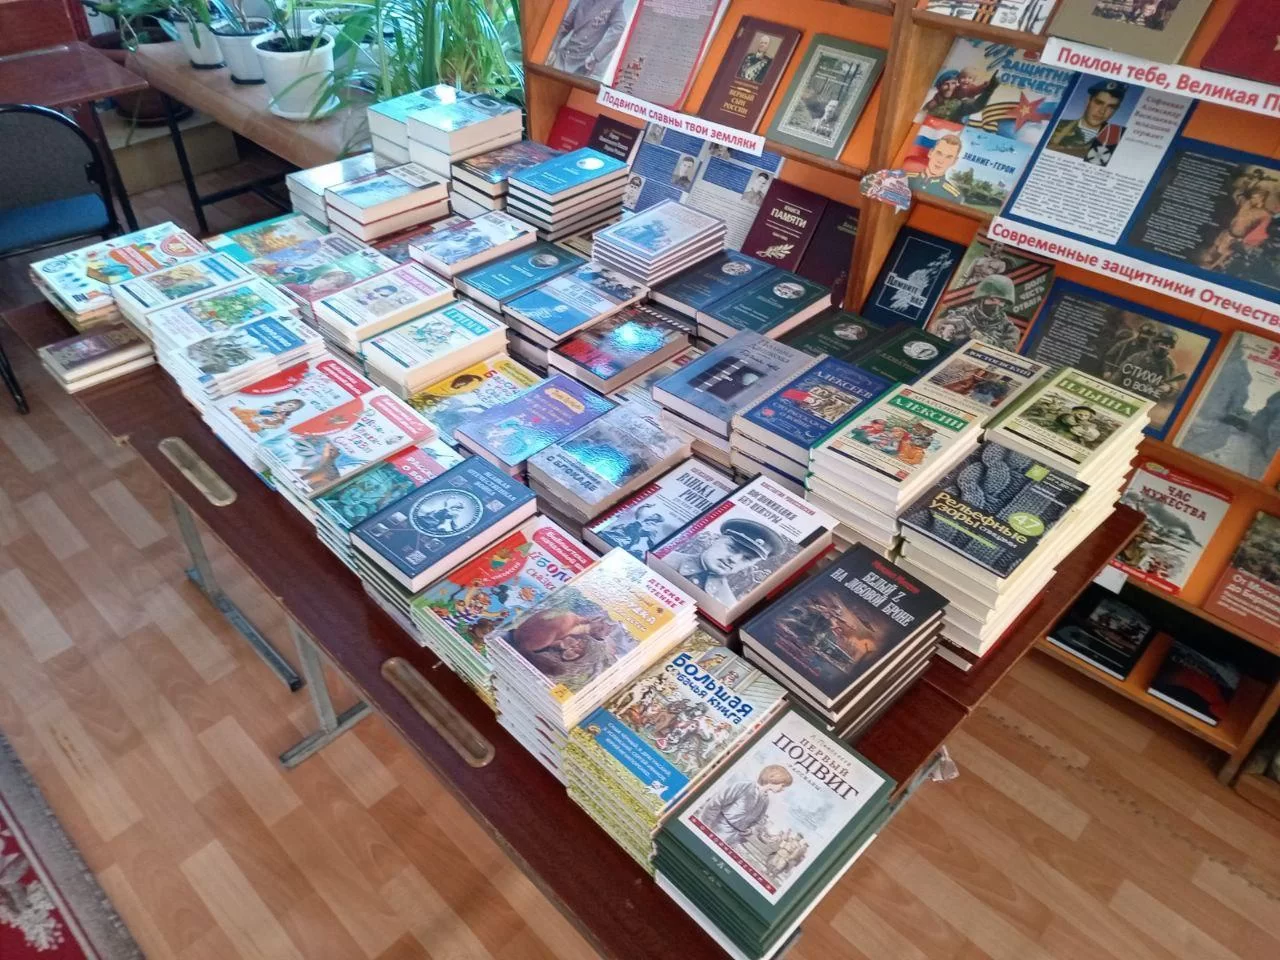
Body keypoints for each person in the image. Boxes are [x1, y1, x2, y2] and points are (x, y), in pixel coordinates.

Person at [664, 519, 783, 608]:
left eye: (747, 558)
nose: (734, 560)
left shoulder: (728, 603)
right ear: (716, 539)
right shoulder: (665, 559)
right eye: (732, 548)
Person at [696, 765, 793, 847]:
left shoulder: (765, 801)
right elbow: (715, 804)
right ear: (773, 779)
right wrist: (704, 827)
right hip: (714, 831)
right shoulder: (743, 786)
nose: (783, 789)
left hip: (732, 841)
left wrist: (750, 830)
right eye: (783, 785)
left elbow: (758, 821)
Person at [1048, 80, 1128, 165]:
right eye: (1099, 103)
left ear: (1116, 109)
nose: (1102, 111)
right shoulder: (1055, 125)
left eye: (1111, 107)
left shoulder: (1118, 137)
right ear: (1088, 101)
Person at [931, 274, 1020, 349]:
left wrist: (972, 332)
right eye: (992, 299)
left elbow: (1002, 353)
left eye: (1002, 302)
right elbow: (934, 330)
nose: (996, 305)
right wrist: (946, 327)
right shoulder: (959, 314)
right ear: (981, 299)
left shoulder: (1010, 330)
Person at [546, 0, 628, 80]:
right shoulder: (583, 2)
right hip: (563, 55)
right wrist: (553, 48)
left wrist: (595, 56)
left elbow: (620, 28)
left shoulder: (613, 2)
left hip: (581, 64)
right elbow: (565, 26)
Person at [1200, 185, 1274, 273]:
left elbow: (1223, 234)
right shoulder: (1222, 250)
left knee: (1244, 207)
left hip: (1234, 230)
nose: (1205, 254)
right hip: (1235, 231)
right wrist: (1213, 265)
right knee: (1249, 212)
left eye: (1204, 256)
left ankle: (1250, 193)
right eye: (1206, 258)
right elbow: (1225, 254)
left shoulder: (1217, 244)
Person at [906, 135, 963, 201]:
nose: (941, 161)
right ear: (930, 153)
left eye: (948, 157)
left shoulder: (953, 196)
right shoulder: (905, 178)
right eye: (939, 153)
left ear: (954, 161)